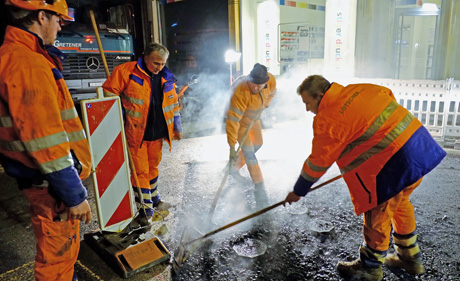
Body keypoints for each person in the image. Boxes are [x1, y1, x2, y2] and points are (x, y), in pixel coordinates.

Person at [283, 75, 446, 281]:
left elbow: (318, 162)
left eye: (308, 102)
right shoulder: (362, 89)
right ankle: (410, 258)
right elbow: (383, 112)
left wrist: (298, 190)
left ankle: (370, 268)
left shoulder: (328, 118)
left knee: (377, 216)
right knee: (401, 203)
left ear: (320, 95)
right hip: (419, 150)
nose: (307, 108)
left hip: (390, 169)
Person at [0, 1, 93, 280]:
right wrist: (74, 195)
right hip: (51, 186)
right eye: (58, 19)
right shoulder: (28, 63)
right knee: (57, 263)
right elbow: (46, 142)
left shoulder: (15, 55)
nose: (61, 26)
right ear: (41, 16)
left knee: (61, 260)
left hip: (42, 180)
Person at [102, 42, 182, 224]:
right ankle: (145, 210)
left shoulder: (167, 78)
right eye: (156, 63)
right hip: (136, 135)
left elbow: (173, 104)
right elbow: (108, 93)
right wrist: (119, 116)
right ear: (145, 58)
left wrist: (177, 126)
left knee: (152, 168)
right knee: (140, 172)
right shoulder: (126, 72)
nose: (159, 67)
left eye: (162, 64)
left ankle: (155, 200)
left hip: (157, 135)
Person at [225, 63, 276, 200]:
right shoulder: (240, 91)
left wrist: (265, 104)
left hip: (254, 120)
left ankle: (233, 168)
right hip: (240, 123)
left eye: (259, 86)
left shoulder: (271, 80)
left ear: (265, 82)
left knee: (258, 144)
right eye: (253, 84)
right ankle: (259, 187)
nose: (255, 87)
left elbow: (272, 92)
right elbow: (233, 121)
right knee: (249, 154)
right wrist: (231, 147)